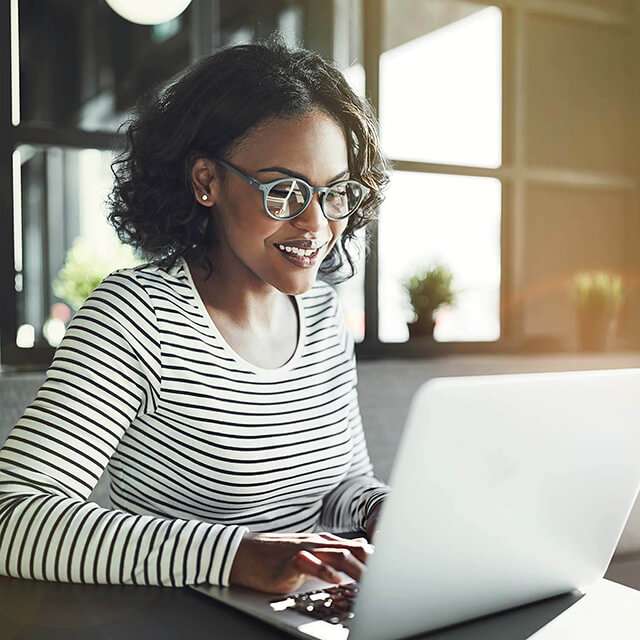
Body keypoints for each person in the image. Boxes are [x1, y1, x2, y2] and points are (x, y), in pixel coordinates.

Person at [0, 34, 391, 595]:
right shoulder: (135, 316)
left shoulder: (324, 315)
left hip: (310, 617)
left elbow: (339, 485)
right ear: (207, 181)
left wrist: (383, 511)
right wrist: (237, 558)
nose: (315, 225)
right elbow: (12, 517)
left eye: (334, 193)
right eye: (284, 191)